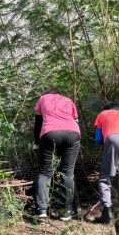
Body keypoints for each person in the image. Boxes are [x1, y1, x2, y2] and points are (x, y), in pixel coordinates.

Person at [33, 88, 81, 221]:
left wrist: (37, 143)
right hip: (73, 133)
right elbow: (76, 121)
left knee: (45, 172)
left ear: (47, 93)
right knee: (67, 172)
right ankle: (66, 212)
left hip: (49, 133)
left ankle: (42, 211)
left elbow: (38, 123)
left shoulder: (43, 98)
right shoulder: (68, 100)